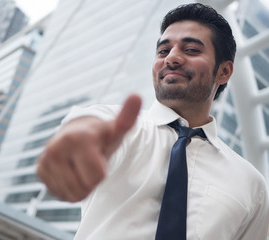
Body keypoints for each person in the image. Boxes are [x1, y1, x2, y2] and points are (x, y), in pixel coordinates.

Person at [37, 3, 269, 239]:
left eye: (190, 50)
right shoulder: (116, 127)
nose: (172, 58)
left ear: (224, 71)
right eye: (163, 50)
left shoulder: (252, 185)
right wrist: (79, 138)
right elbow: (88, 127)